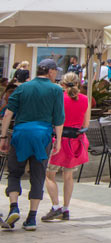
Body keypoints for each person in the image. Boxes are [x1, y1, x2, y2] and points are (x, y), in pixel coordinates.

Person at [0, 59, 65, 231]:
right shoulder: (56, 90)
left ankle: (14, 206)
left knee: (14, 172)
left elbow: (8, 113)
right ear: (50, 71)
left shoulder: (22, 87)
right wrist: (58, 140)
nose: (56, 74)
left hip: (21, 133)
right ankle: (31, 218)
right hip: (42, 135)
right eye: (55, 71)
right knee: (38, 174)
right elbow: (59, 118)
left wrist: (2, 136)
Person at [40, 72, 88, 222]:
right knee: (68, 176)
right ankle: (66, 208)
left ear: (63, 84)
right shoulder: (85, 99)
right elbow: (86, 124)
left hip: (59, 140)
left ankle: (55, 206)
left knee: (49, 174)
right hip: (75, 141)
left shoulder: (59, 98)